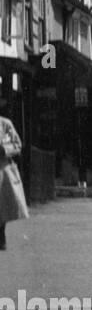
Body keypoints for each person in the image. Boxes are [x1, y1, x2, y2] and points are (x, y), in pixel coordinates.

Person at [0, 98, 30, 250]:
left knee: (2, 204)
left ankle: (0, 234)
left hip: (2, 169)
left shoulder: (4, 124)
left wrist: (4, 149)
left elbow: (16, 144)